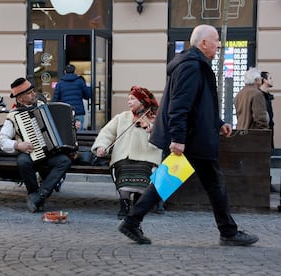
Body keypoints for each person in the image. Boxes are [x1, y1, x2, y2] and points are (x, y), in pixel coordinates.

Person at [117, 24, 259, 246]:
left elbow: (198, 105)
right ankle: (228, 232)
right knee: (207, 184)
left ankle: (132, 221)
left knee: (170, 183)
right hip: (192, 140)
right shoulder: (192, 66)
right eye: (215, 40)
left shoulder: (194, 64)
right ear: (203, 43)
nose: (219, 45)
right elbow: (179, 106)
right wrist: (178, 139)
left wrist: (218, 123)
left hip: (194, 137)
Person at [0, 77, 72, 213]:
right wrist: (18, 145)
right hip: (28, 152)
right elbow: (1, 139)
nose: (33, 94)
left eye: (33, 91)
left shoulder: (45, 108)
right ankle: (33, 193)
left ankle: (39, 196)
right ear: (20, 99)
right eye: (29, 93)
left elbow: (60, 127)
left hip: (49, 152)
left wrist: (72, 126)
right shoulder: (14, 116)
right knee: (23, 162)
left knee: (64, 161)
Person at [91, 86, 163, 219]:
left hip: (147, 157)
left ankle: (138, 205)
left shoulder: (156, 119)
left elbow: (163, 137)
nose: (129, 102)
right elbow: (107, 133)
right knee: (123, 168)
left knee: (144, 170)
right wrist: (101, 146)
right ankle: (124, 206)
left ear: (142, 101)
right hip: (123, 156)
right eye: (128, 99)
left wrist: (150, 128)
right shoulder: (122, 117)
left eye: (133, 99)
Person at [53, 64, 91, 130]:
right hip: (78, 111)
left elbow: (55, 100)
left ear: (65, 72)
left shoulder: (60, 83)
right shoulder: (80, 81)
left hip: (65, 112)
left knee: (67, 133)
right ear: (74, 71)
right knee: (80, 134)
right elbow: (88, 95)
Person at [259, 71, 275, 150]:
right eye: (270, 78)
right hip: (263, 131)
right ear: (264, 80)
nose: (272, 80)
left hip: (270, 129)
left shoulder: (267, 96)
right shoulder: (259, 95)